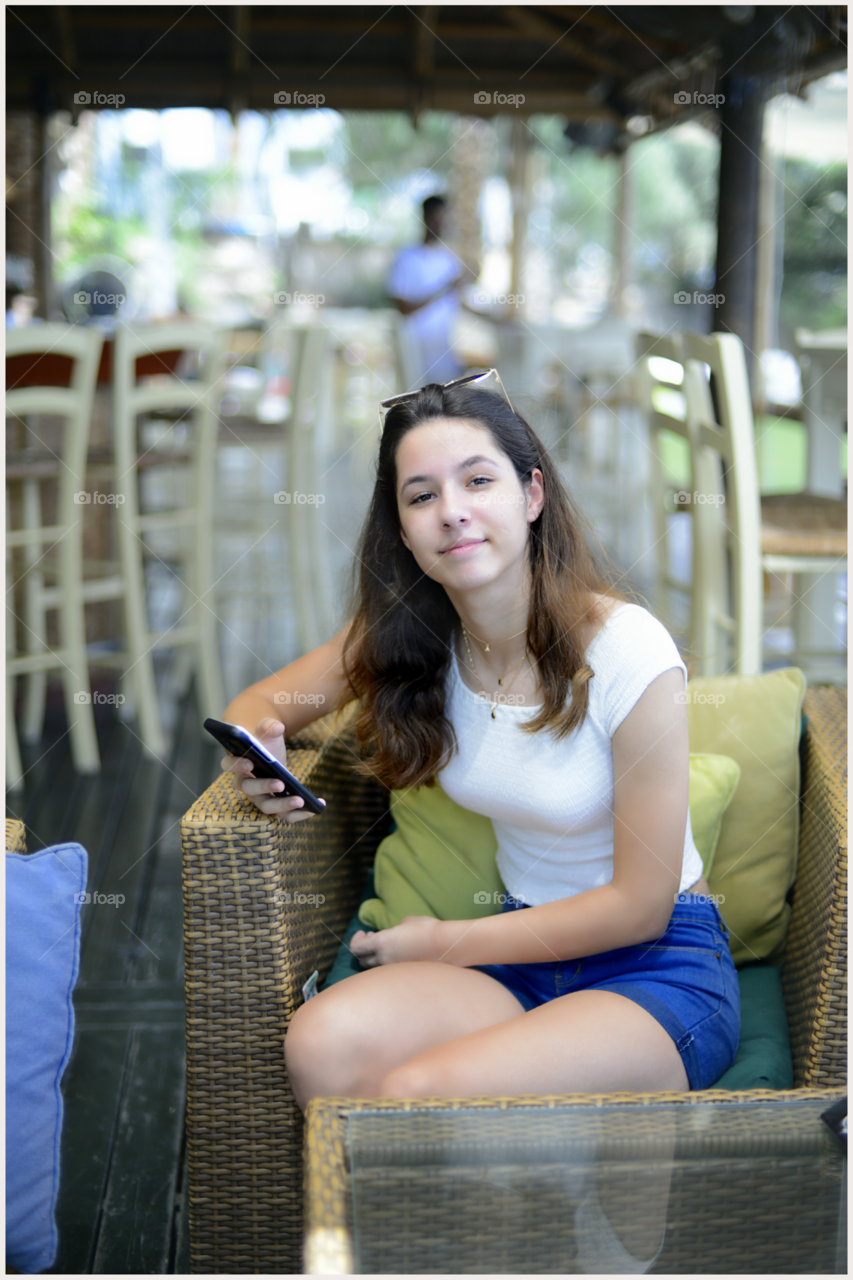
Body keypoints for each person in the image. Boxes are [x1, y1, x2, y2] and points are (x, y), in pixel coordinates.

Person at [220, 374, 741, 1118]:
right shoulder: (410, 636)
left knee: (416, 1096)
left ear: (531, 496)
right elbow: (261, 706)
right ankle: (361, 1237)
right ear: (401, 529)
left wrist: (443, 941)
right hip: (519, 961)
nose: (452, 512)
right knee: (319, 1042)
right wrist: (255, 753)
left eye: (477, 480)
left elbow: (639, 907)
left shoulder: (626, 647)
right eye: (422, 495)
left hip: (653, 968)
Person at [387, 194, 471, 384]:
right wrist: (444, 288)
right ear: (424, 218)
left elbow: (460, 302)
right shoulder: (407, 258)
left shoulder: (449, 260)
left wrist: (497, 320)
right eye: (436, 218)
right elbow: (403, 308)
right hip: (415, 353)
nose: (440, 224)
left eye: (444, 219)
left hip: (443, 351)